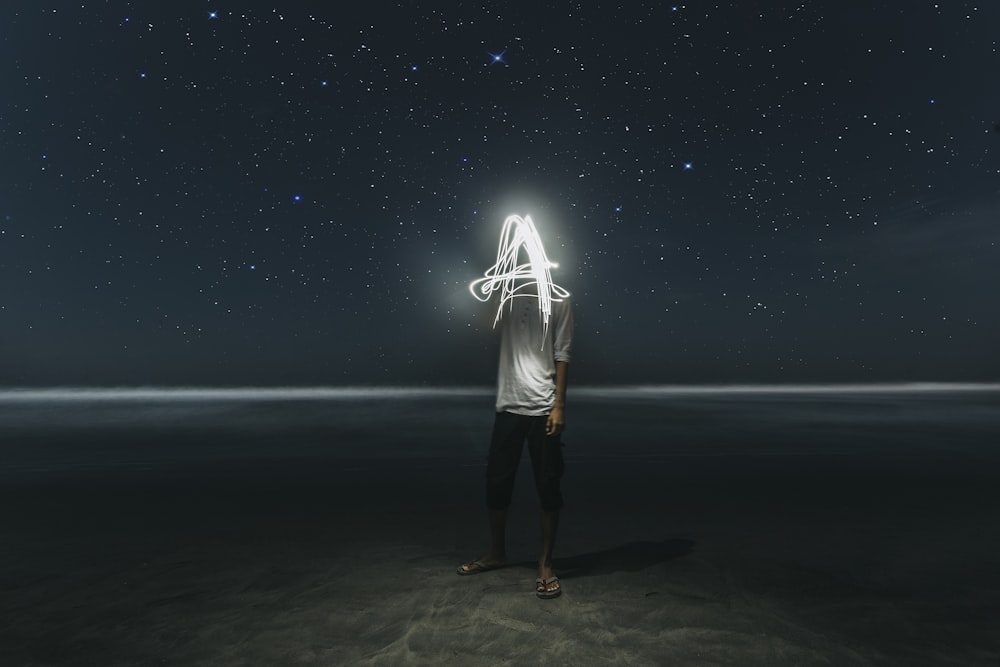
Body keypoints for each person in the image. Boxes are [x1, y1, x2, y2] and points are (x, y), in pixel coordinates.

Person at [457, 283, 573, 599]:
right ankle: (497, 553)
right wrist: (499, 288)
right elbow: (485, 326)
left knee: (549, 485)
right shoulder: (507, 296)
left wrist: (559, 405)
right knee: (497, 481)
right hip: (509, 405)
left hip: (544, 407)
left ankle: (545, 564)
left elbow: (562, 352)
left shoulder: (560, 297)